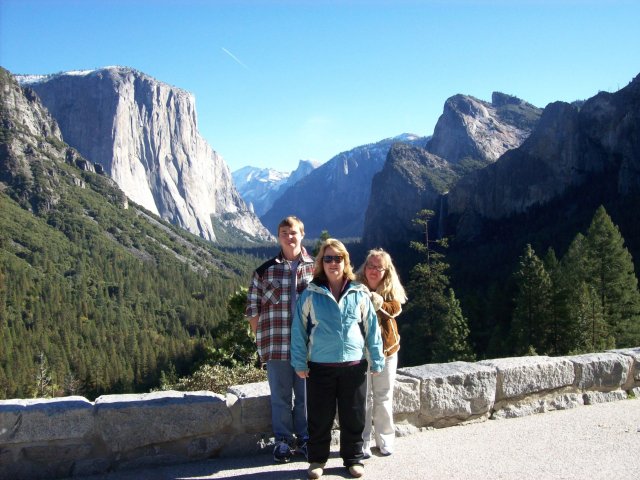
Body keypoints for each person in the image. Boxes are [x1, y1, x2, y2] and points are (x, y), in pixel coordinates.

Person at [291, 238, 384, 479]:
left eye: (338, 258)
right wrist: (300, 362)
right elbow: (298, 330)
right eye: (328, 258)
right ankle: (317, 461)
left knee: (353, 414)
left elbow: (371, 327)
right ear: (321, 263)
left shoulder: (359, 292)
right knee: (320, 416)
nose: (333, 263)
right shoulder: (311, 294)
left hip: (353, 365)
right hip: (320, 365)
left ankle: (353, 459)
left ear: (346, 262)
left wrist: (376, 357)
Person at [245, 216, 315, 463]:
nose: (289, 236)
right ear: (278, 237)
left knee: (306, 395)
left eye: (293, 232)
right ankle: (283, 441)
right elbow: (252, 309)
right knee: (280, 396)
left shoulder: (316, 269)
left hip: (308, 347)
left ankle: (306, 439)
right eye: (284, 232)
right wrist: (262, 337)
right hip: (276, 345)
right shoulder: (264, 271)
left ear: (302, 234)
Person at [355, 248, 407, 458]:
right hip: (360, 351)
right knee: (364, 397)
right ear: (365, 267)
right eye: (371, 265)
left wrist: (377, 301)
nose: (374, 270)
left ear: (386, 271)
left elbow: (395, 309)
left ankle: (385, 439)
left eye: (379, 267)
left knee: (383, 396)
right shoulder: (355, 286)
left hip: (387, 350)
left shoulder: (390, 289)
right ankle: (363, 441)